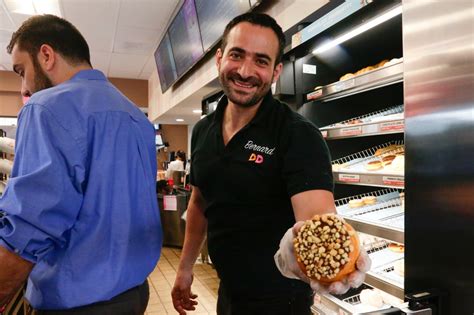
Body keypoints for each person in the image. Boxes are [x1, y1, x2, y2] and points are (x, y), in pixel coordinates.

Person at [171, 12, 370, 315]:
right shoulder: (203, 130)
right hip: (228, 293)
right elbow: (199, 202)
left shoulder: (297, 135)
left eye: (261, 61)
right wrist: (185, 269)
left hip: (281, 302)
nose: (245, 71)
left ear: (276, 71)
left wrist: (336, 265)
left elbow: (318, 226)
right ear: (220, 58)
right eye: (237, 55)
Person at [0, 15, 162, 314]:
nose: (24, 87)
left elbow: (28, 231)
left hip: (78, 304)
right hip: (134, 295)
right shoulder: (139, 119)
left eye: (22, 71)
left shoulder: (45, 107)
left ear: (46, 55)